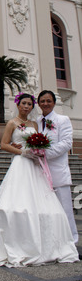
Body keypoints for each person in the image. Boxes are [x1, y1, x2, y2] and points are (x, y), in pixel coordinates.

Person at [0, 93, 79, 267]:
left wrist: (39, 151)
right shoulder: (12, 123)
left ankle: (65, 243)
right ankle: (23, 241)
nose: (26, 106)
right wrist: (22, 151)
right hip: (22, 163)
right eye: (24, 103)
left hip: (40, 166)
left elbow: (54, 143)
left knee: (54, 208)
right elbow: (4, 144)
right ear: (18, 104)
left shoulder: (37, 123)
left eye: (29, 104)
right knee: (20, 202)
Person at [37, 90, 79, 246]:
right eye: (42, 101)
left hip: (58, 172)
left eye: (48, 101)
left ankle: (72, 242)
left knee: (65, 210)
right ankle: (52, 241)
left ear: (54, 103)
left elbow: (67, 143)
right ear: (39, 103)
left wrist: (44, 153)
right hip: (40, 173)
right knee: (47, 210)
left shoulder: (63, 120)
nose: (45, 104)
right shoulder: (36, 121)